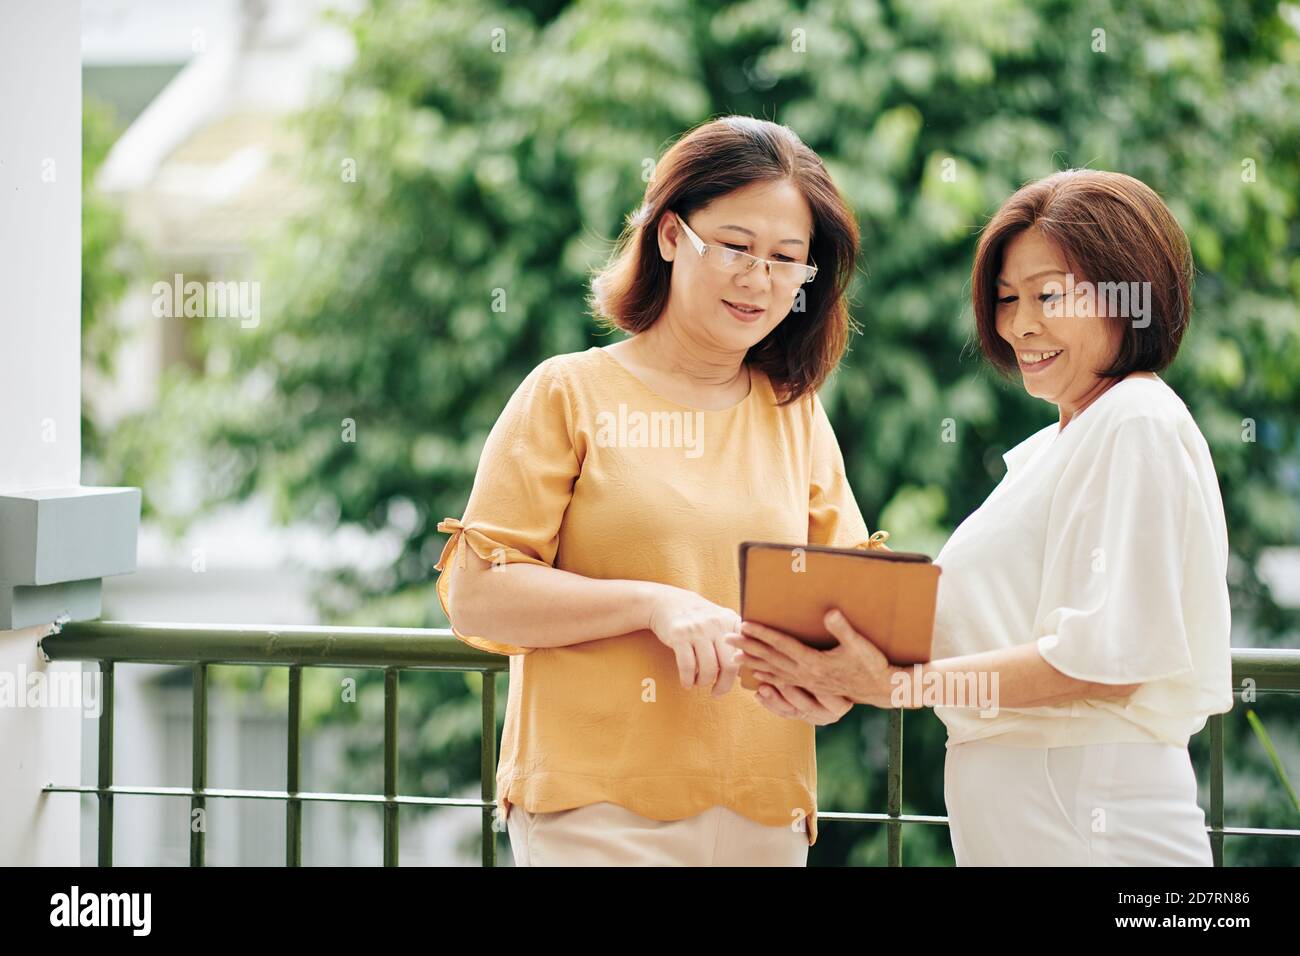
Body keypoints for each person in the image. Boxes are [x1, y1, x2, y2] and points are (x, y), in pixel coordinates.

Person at [732, 169, 1233, 866]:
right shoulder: (1058, 448)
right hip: (1043, 816)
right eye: (1006, 298)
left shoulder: (1135, 420)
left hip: (1089, 818)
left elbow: (1105, 663)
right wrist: (833, 664)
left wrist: (900, 688)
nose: (1020, 323)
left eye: (1048, 295)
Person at [434, 116, 874, 866]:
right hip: (596, 810)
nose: (758, 279)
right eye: (735, 247)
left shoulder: (795, 412)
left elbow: (850, 609)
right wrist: (655, 604)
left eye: (786, 259)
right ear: (670, 235)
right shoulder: (567, 393)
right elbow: (476, 594)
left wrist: (835, 683)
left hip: (764, 811)